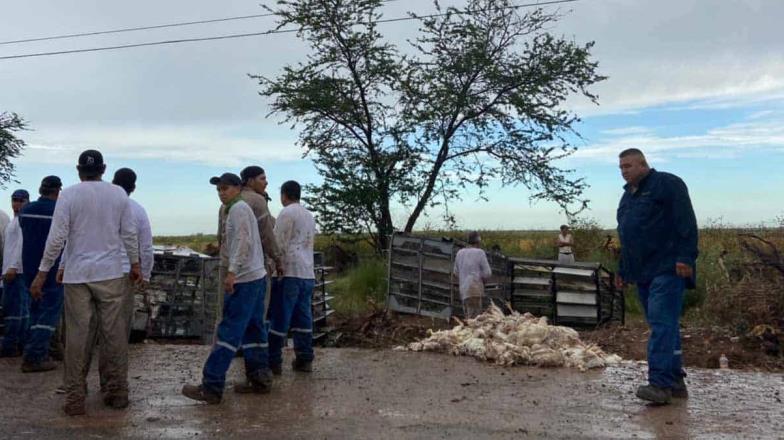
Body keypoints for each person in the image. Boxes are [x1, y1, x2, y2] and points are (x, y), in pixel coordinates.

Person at [30, 150, 141, 416]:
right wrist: (135, 264)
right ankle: (116, 392)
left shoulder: (68, 194)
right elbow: (128, 233)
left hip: (78, 275)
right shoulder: (118, 195)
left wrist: (44, 271)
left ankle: (75, 397)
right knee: (113, 335)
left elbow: (58, 238)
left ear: (79, 171)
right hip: (111, 274)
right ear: (103, 170)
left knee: (77, 338)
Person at [615, 148, 698, 405]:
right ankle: (674, 380)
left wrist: (686, 257)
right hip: (642, 271)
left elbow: (686, 221)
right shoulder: (628, 196)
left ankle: (659, 384)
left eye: (628, 166)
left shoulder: (667, 184)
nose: (624, 171)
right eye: (621, 168)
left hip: (668, 267)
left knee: (662, 323)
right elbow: (628, 236)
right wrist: (623, 270)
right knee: (664, 325)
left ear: (642, 164)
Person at [181, 173, 271, 404]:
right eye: (219, 189)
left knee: (228, 332)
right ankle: (260, 378)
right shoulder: (239, 209)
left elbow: (243, 242)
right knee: (254, 330)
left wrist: (232, 272)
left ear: (238, 188)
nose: (222, 192)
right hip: (256, 276)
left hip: (244, 279)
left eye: (226, 188)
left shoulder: (238, 210)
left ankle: (211, 385)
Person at [268, 180, 316, 374]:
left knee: (280, 316)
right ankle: (304, 358)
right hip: (307, 272)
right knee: (303, 317)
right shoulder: (309, 215)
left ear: (284, 195)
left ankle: (273, 360)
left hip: (288, 272)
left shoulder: (286, 213)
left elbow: (278, 243)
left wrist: (273, 266)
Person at [19, 176, 64, 373]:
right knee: (49, 312)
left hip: (28, 267)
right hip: (51, 270)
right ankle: (35, 356)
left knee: (34, 310)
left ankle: (35, 349)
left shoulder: (26, 211)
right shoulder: (59, 212)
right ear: (58, 191)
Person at [1, 189, 30, 357]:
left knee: (18, 311)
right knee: (10, 309)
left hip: (17, 272)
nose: (16, 204)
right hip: (8, 271)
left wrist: (14, 266)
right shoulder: (13, 221)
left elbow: (22, 246)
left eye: (20, 200)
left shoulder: (23, 222)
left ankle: (14, 344)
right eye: (14, 200)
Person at [453, 231, 492, 319]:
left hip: (463, 290)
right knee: (475, 320)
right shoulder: (480, 253)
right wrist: (482, 281)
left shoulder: (460, 253)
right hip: (475, 290)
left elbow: (455, 272)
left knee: (468, 317)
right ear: (478, 241)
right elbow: (487, 273)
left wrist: (464, 278)